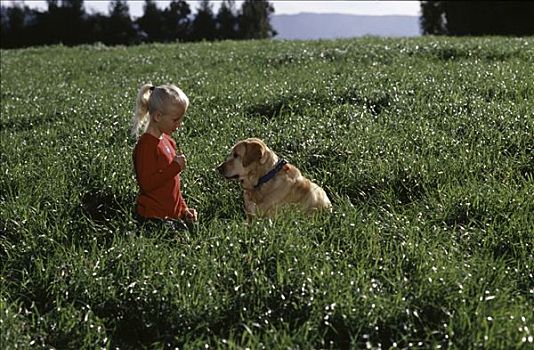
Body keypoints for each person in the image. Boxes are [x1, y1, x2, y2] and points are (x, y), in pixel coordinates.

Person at [131, 83, 197, 231]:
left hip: (171, 215)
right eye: (175, 120)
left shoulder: (168, 141)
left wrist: (183, 209)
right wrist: (175, 167)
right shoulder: (146, 146)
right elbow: (146, 184)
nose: (179, 125)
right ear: (158, 116)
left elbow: (173, 187)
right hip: (153, 218)